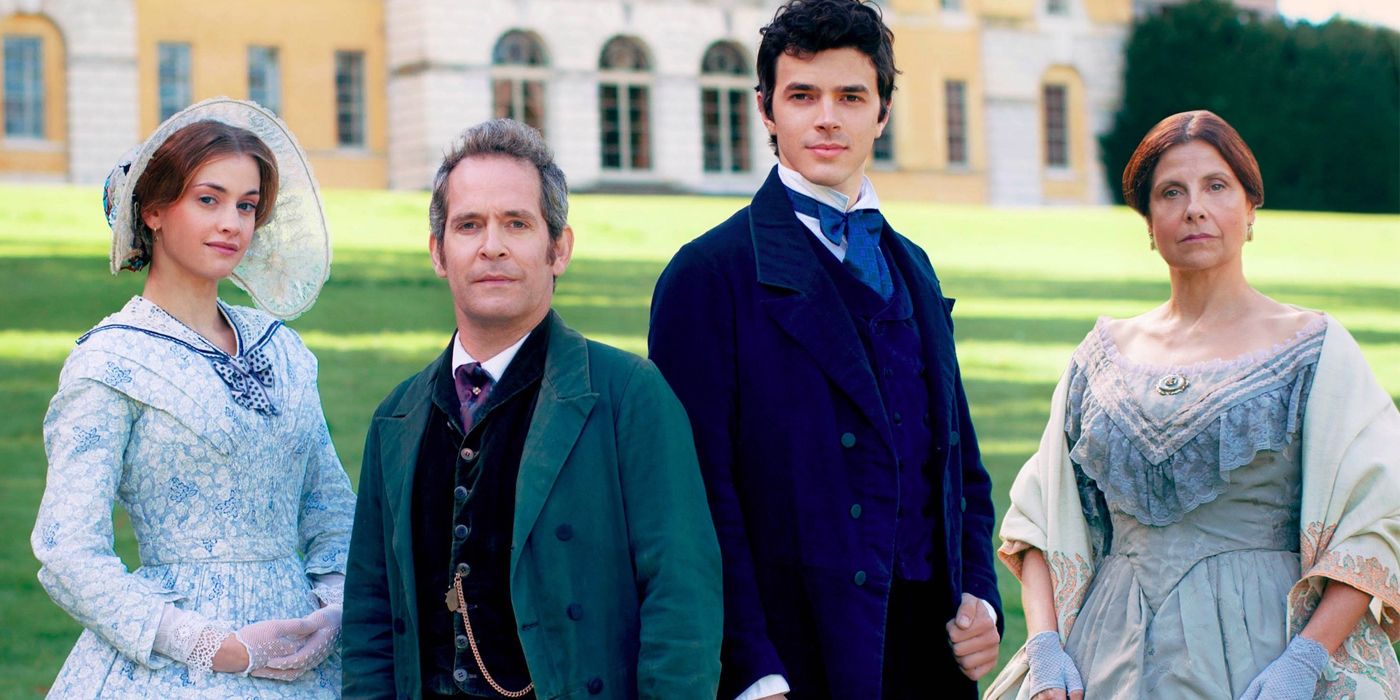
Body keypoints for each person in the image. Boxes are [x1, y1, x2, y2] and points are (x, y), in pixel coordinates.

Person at [648, 2, 1002, 697]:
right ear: (766, 109)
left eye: (850, 96)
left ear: (884, 111)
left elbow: (961, 467)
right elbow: (695, 500)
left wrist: (980, 597)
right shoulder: (706, 277)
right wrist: (751, 667)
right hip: (799, 659)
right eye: (802, 95)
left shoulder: (915, 268)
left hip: (928, 656)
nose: (827, 118)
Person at [986, 110, 1400, 700]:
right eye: (1170, 192)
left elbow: (1375, 522)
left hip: (1262, 655)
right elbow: (1040, 522)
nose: (1194, 209)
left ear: (1251, 209)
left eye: (1216, 187)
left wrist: (1304, 661)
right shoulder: (1099, 357)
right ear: (1149, 223)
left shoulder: (1316, 348)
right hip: (1106, 657)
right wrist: (1048, 650)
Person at [341, 118, 722, 700]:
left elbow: (682, 602)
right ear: (439, 253)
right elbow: (370, 618)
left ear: (558, 248)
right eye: (469, 225)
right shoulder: (396, 418)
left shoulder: (630, 396)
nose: (492, 244)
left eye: (516, 223)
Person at [31, 98, 356, 698]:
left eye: (247, 205)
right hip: (179, 662)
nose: (232, 222)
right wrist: (217, 648)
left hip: (305, 655)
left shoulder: (283, 349)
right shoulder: (111, 363)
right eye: (208, 200)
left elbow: (333, 509)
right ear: (153, 209)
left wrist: (331, 612)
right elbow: (67, 549)